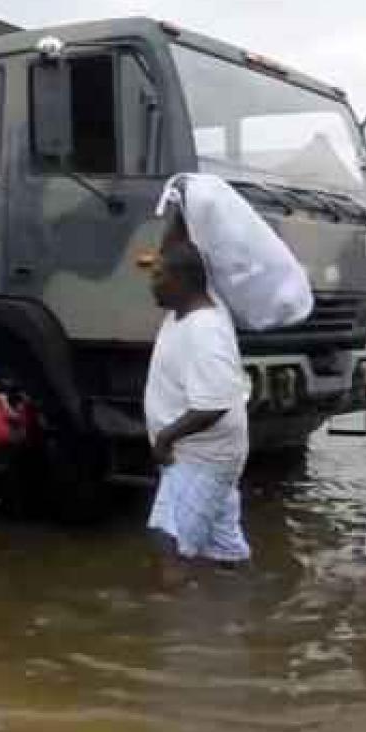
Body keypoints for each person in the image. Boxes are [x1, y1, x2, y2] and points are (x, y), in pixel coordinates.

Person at [143, 217, 252, 587]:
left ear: (181, 281)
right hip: (209, 456)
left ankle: (178, 635)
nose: (151, 284)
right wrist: (177, 206)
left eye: (158, 276)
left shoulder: (205, 330)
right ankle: (242, 615)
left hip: (199, 456)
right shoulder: (187, 311)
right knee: (223, 554)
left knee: (169, 540)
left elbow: (214, 404)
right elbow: (176, 252)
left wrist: (165, 438)